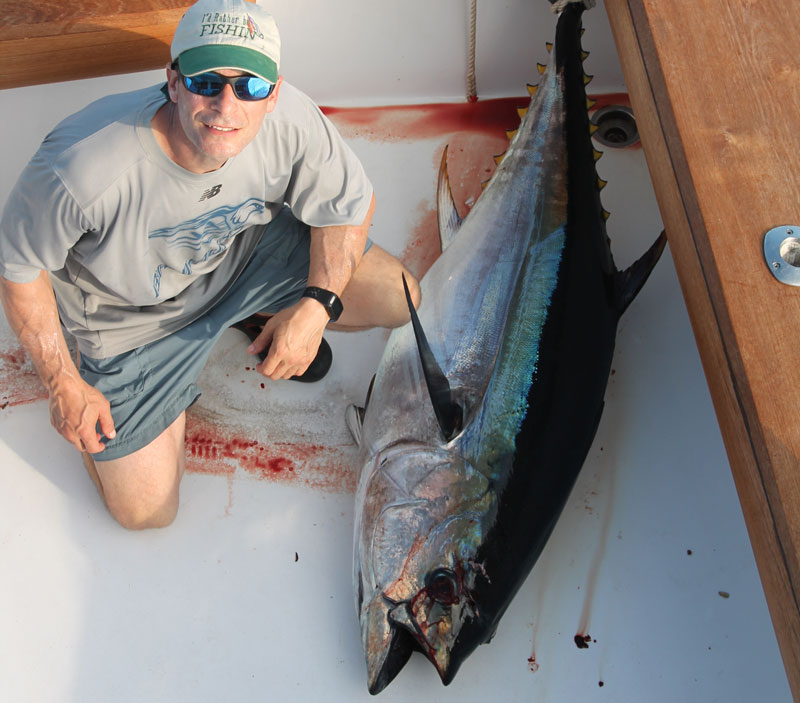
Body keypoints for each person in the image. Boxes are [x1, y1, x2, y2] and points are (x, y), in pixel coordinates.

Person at [0, 0, 420, 530]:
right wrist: (63, 383)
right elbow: (19, 269)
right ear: (173, 81)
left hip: (242, 260)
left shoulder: (290, 119)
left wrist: (316, 307)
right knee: (146, 513)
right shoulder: (82, 165)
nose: (227, 106)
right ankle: (126, 411)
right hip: (130, 323)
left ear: (274, 92)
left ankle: (251, 316)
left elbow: (348, 209)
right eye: (206, 82)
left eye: (249, 87)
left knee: (401, 295)